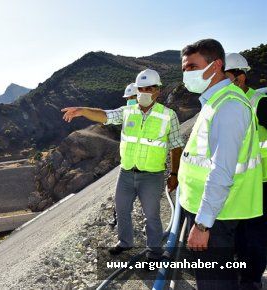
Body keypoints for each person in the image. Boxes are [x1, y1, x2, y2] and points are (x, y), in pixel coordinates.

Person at [61, 71, 184, 262]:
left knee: (151, 215)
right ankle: (125, 243)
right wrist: (83, 110)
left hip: (152, 175)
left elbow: (176, 146)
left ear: (157, 90)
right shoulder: (127, 112)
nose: (143, 92)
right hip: (126, 173)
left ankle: (155, 252)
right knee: (122, 209)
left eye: (148, 89)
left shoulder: (168, 116)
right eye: (140, 89)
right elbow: (105, 115)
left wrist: (174, 173)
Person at [178, 39, 263, 290]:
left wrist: (203, 225)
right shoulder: (215, 100)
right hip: (210, 209)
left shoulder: (229, 106)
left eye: (192, 67)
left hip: (217, 216)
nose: (187, 74)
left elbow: (222, 170)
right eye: (184, 68)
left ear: (216, 66)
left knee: (215, 282)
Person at [225, 52, 267, 290]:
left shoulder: (259, 103)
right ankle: (239, 272)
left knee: (257, 236)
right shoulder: (227, 104)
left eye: (228, 77)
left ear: (240, 78)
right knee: (237, 233)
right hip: (235, 182)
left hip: (261, 182)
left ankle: (252, 279)